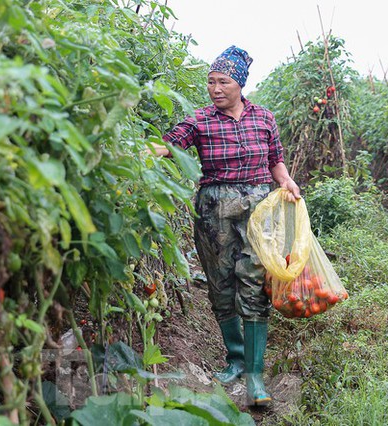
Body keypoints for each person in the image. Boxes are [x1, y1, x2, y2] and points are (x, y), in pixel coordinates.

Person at [150, 46, 300, 406]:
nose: (215, 89)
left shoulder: (264, 118)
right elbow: (165, 146)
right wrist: (129, 154)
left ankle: (254, 376)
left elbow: (276, 162)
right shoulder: (200, 120)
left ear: (240, 84)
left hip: (259, 210)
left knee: (253, 284)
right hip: (214, 210)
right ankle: (234, 359)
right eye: (211, 82)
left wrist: (287, 181)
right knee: (221, 286)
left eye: (223, 82)